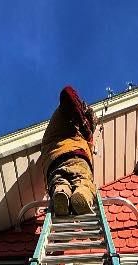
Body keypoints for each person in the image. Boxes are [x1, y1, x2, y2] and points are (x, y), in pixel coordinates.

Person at [40, 85, 97, 216]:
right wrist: (84, 126)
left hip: (55, 166)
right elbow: (68, 92)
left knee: (60, 184)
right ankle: (82, 195)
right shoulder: (65, 116)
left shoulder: (59, 129)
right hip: (76, 160)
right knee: (84, 183)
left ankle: (61, 193)